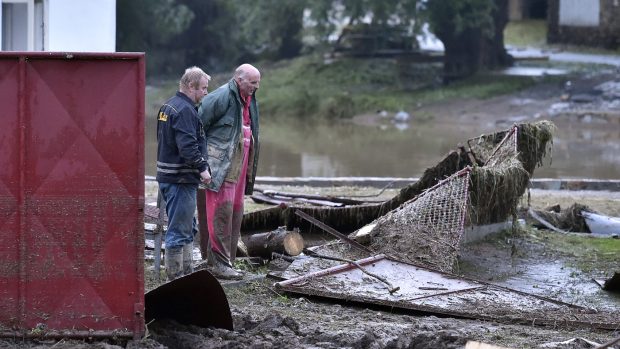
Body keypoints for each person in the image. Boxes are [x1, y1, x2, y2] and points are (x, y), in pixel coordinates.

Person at [198, 64, 261, 279]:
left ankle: (228, 262)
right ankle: (218, 263)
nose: (256, 86)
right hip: (221, 164)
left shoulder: (251, 99)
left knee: (235, 210)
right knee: (220, 210)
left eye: (258, 82)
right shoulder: (221, 96)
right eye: (253, 82)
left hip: (241, 162)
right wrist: (201, 163)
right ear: (239, 79)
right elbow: (198, 128)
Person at [156, 66, 212, 281]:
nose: (206, 93)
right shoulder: (186, 110)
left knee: (188, 228)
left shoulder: (168, 106)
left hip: (168, 176)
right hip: (180, 178)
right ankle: (176, 280)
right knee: (179, 232)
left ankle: (187, 275)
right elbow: (188, 146)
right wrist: (203, 169)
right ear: (191, 86)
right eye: (204, 88)